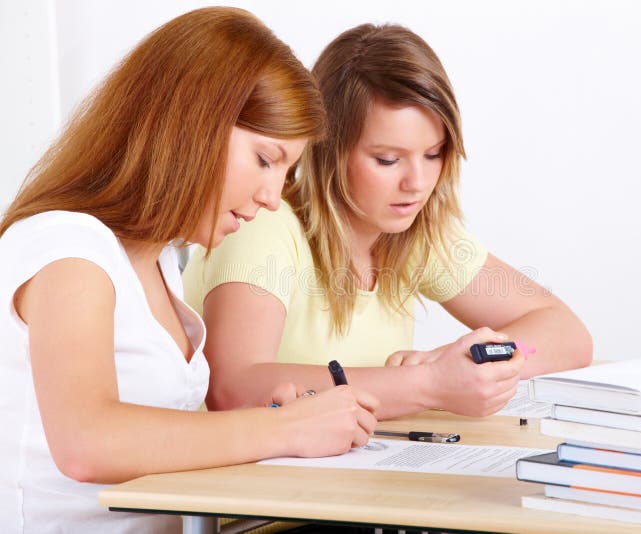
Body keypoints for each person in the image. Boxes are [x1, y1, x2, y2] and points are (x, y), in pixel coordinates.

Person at [0, 8, 378, 533]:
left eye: (286, 171)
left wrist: (273, 420)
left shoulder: (158, 264)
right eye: (265, 159)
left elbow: (156, 439)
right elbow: (87, 443)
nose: (273, 197)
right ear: (191, 123)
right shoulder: (68, 247)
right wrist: (282, 430)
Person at [183, 23, 593, 421]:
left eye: (434, 154)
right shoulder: (262, 225)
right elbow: (232, 389)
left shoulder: (416, 233)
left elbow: (568, 335)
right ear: (329, 151)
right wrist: (429, 384)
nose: (417, 183)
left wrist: (476, 364)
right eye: (387, 160)